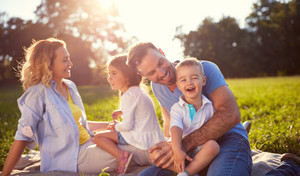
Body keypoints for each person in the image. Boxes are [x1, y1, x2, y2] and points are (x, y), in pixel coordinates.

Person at [1, 38, 151, 176]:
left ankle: (171, 153)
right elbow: (23, 136)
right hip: (74, 157)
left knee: (146, 141)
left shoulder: (70, 86)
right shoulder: (37, 94)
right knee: (138, 152)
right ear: (48, 64)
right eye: (65, 60)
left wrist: (111, 126)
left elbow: (79, 125)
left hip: (91, 142)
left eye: (69, 59)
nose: (70, 64)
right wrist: (6, 174)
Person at [126, 42, 252, 176]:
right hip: (192, 150)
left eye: (160, 62)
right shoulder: (157, 87)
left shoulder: (204, 69)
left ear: (162, 52)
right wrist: (169, 148)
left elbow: (230, 115)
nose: (162, 73)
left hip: (227, 138)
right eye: (152, 72)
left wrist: (183, 145)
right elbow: (169, 121)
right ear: (143, 75)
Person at [93, 55, 165, 174]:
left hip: (139, 137)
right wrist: (122, 111)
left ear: (127, 75)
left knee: (98, 137)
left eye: (114, 73)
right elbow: (137, 110)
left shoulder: (128, 95)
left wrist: (115, 127)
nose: (109, 78)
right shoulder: (138, 91)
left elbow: (127, 126)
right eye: (109, 74)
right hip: (152, 137)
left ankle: (121, 156)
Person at [170, 58, 220, 175]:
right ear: (178, 85)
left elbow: (215, 129)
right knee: (162, 154)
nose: (189, 83)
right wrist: (177, 150)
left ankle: (186, 173)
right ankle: (192, 169)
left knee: (213, 146)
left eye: (194, 78)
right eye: (183, 80)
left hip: (203, 151)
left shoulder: (209, 106)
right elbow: (175, 128)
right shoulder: (177, 108)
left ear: (203, 81)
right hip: (183, 150)